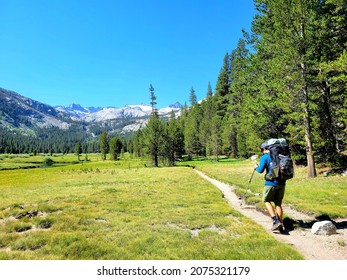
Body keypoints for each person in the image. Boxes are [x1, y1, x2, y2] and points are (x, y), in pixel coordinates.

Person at [255, 142, 286, 231]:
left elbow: (260, 170)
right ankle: (281, 224)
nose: (262, 151)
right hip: (282, 183)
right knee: (278, 204)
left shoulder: (265, 157)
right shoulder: (280, 155)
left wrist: (255, 167)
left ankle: (275, 220)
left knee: (266, 200)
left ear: (264, 149)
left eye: (262, 149)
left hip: (270, 183)